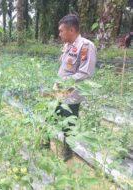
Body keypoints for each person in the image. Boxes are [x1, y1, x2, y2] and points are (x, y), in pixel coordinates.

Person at [56, 14, 97, 161]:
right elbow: (64, 67)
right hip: (60, 90)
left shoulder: (86, 46)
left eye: (61, 31)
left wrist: (65, 81)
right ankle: (45, 143)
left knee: (69, 124)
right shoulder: (67, 46)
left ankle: (68, 152)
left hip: (72, 95)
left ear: (72, 30)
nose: (59, 34)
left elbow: (86, 72)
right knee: (53, 116)